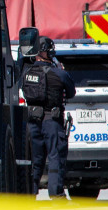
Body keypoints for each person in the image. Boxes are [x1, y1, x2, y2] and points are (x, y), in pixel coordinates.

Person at [21, 36, 76, 200]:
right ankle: (56, 194)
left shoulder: (26, 72)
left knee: (34, 160)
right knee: (55, 158)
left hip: (32, 122)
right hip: (52, 121)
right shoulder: (59, 73)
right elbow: (71, 93)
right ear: (46, 51)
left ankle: (31, 193)